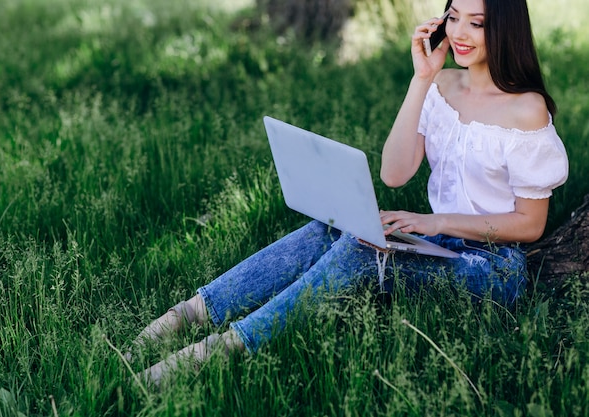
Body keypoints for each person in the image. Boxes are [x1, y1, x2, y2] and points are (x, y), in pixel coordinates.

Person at [124, 0, 569, 388]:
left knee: (360, 250)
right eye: (453, 17)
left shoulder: (526, 109)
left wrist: (434, 223)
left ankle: (227, 348)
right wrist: (421, 79)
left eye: (477, 22)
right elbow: (395, 173)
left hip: (492, 266)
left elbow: (529, 226)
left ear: (504, 29)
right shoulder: (442, 85)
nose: (459, 32)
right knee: (331, 228)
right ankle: (190, 314)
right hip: (438, 246)